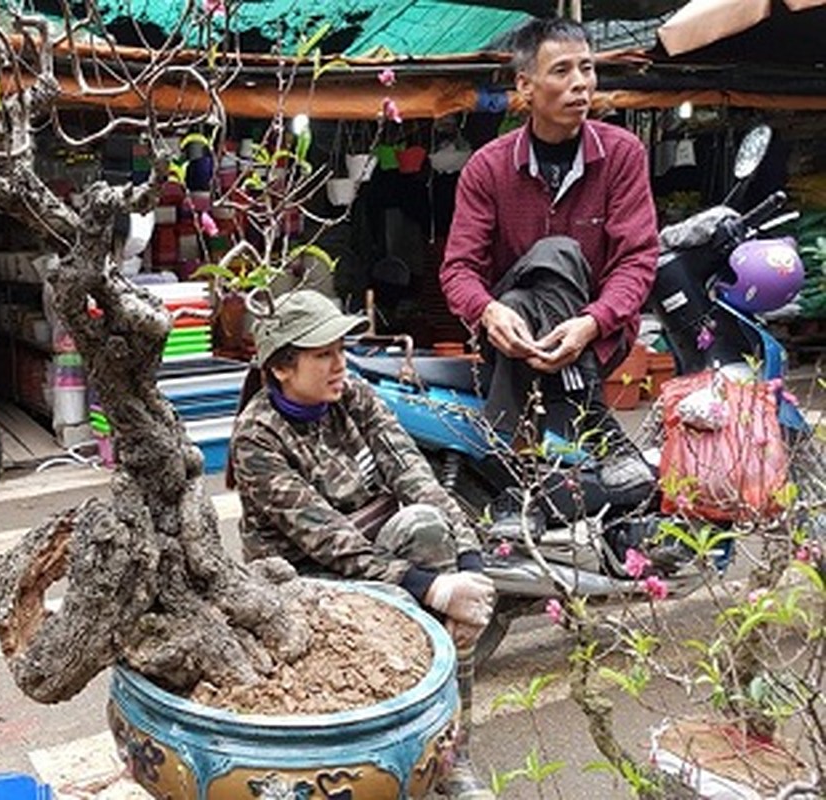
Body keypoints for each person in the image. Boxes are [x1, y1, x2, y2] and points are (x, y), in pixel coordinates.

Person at [229, 289, 495, 800]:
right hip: (305, 580)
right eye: (322, 354)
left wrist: (470, 569)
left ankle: (452, 758)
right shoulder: (257, 438)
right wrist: (432, 589)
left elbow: (419, 481)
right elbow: (332, 544)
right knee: (408, 601)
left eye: (340, 349)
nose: (338, 364)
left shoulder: (355, 397)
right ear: (284, 368)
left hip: (371, 550)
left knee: (426, 527)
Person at [439, 16, 660, 517]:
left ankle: (510, 467)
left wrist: (590, 323)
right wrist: (490, 313)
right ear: (524, 85)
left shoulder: (622, 155)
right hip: (509, 340)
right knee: (527, 288)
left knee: (556, 254)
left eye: (587, 68)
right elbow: (458, 270)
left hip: (594, 335)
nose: (580, 83)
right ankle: (595, 430)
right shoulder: (488, 168)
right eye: (561, 70)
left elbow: (637, 261)